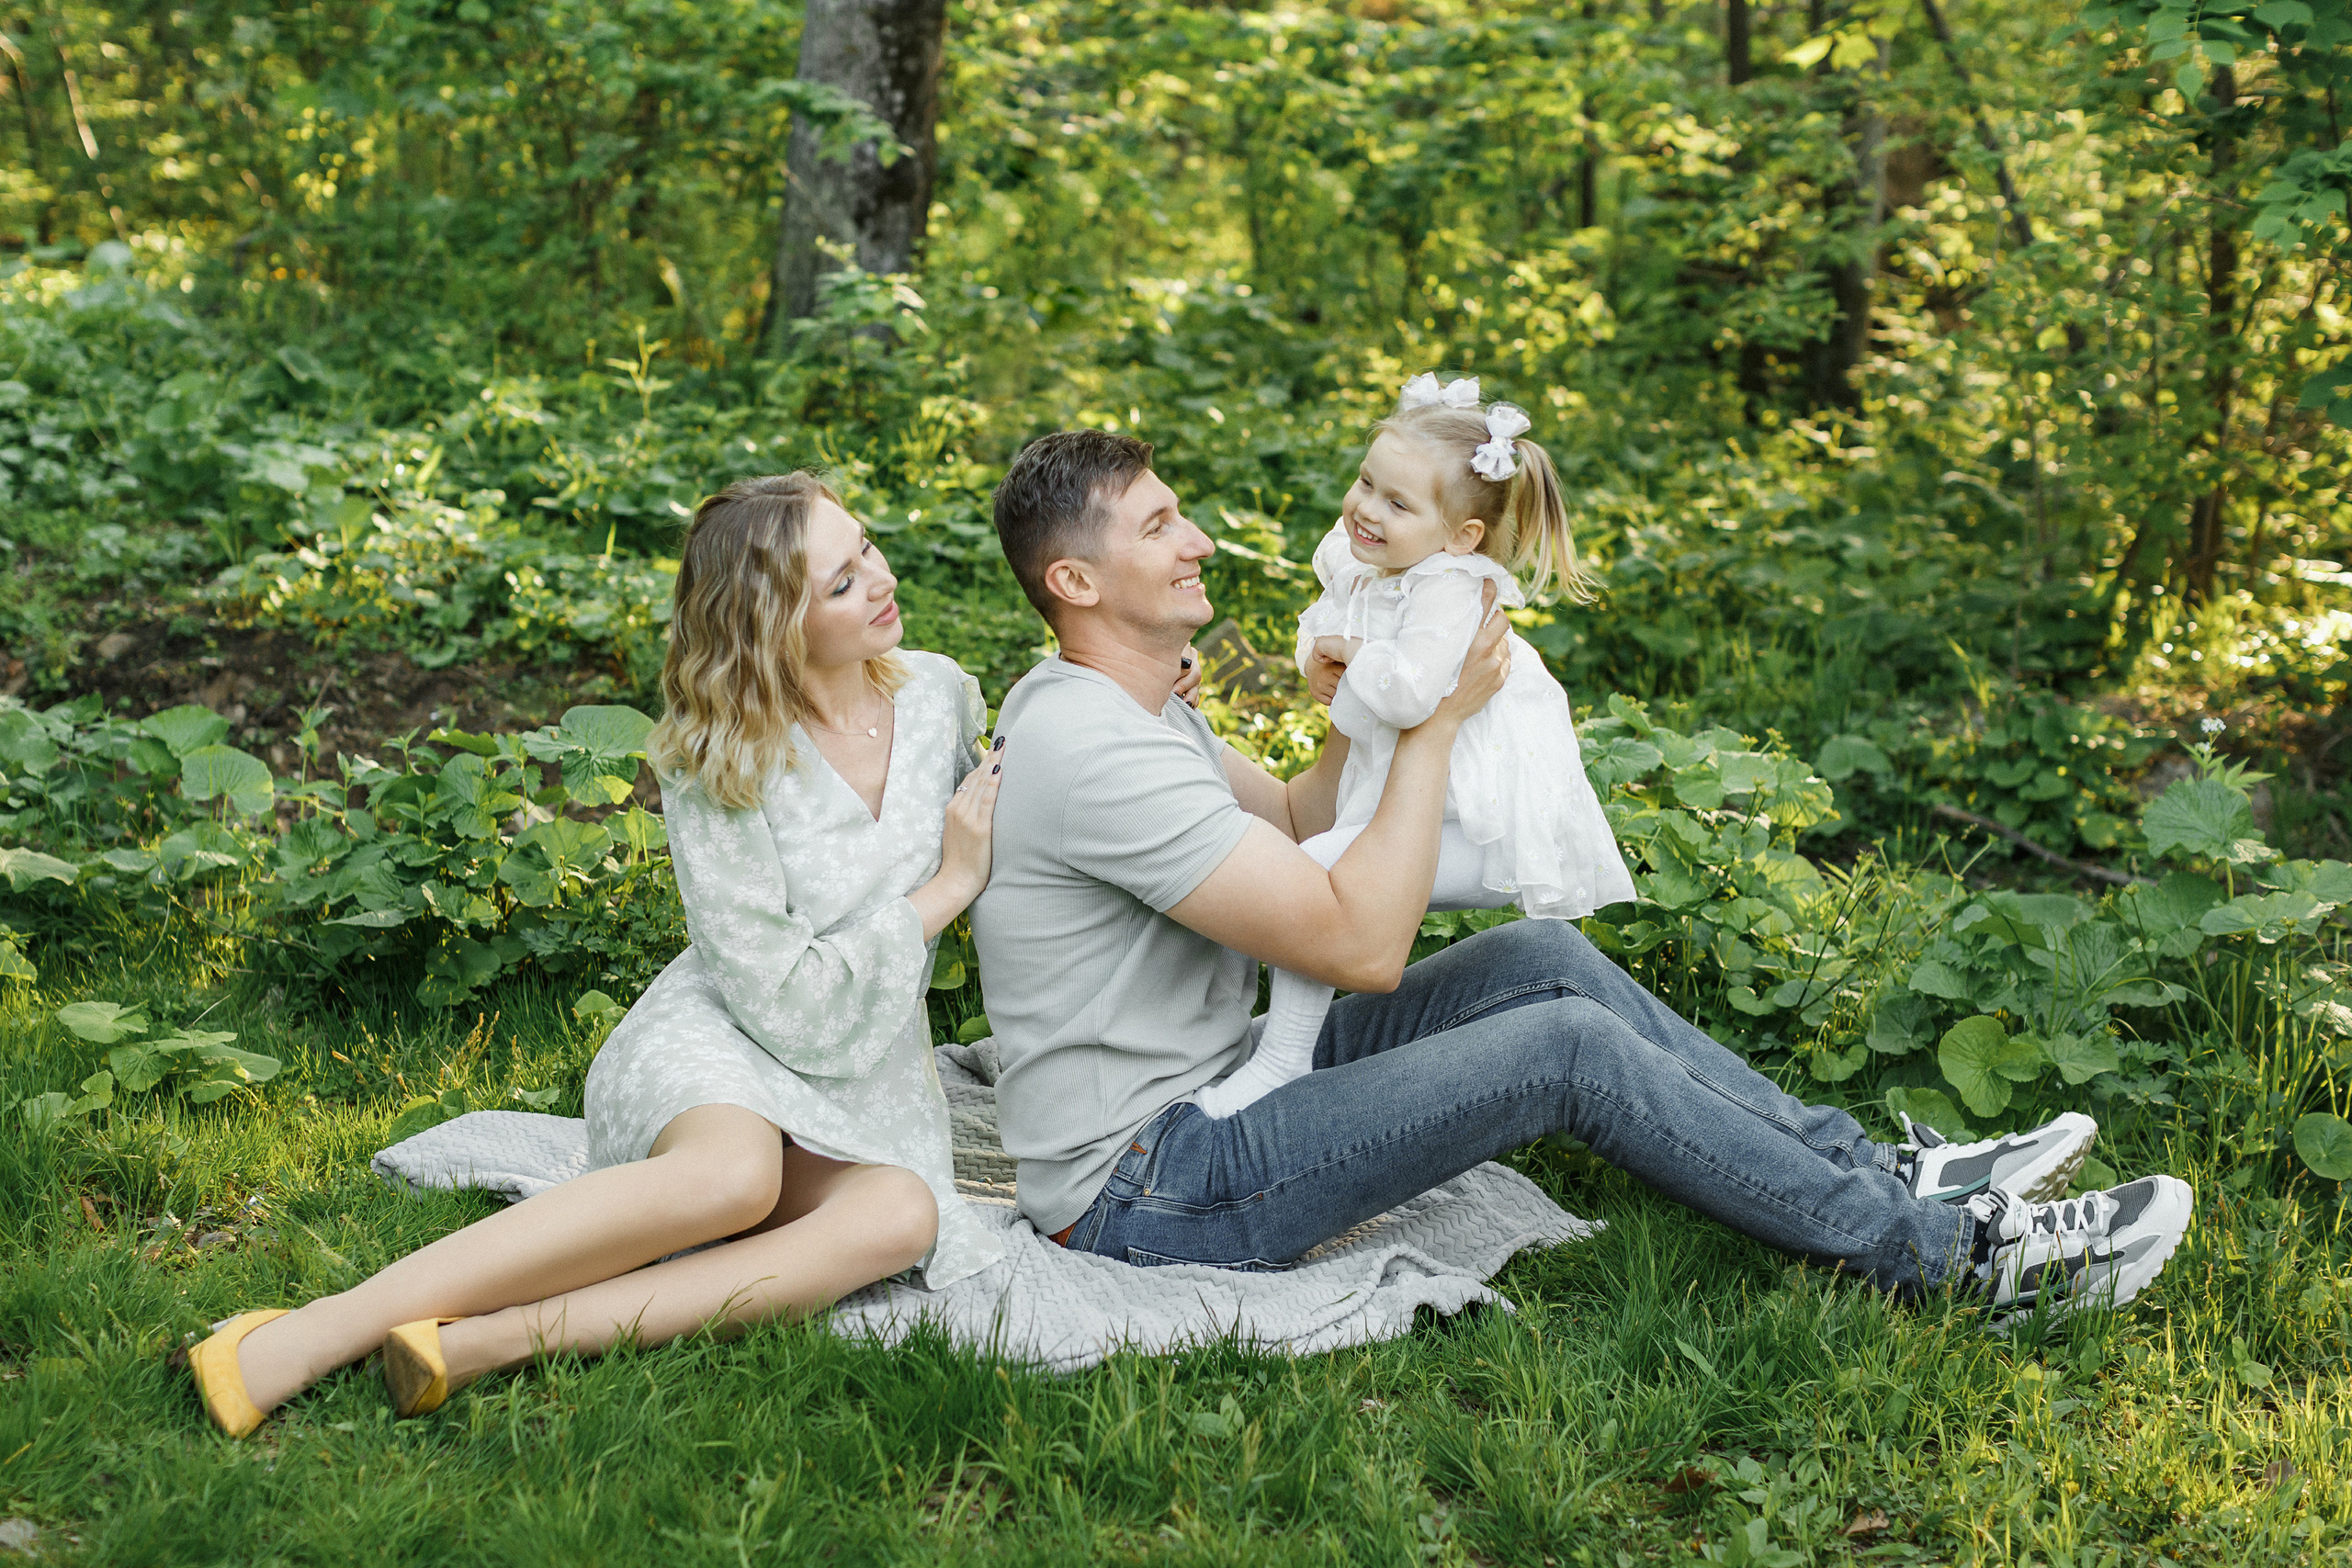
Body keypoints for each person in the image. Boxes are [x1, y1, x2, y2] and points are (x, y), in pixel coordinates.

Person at [970, 427, 2194, 1326]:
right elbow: (1357, 945)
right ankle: (1957, 1261)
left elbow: (1300, 817)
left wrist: (1356, 714)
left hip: (1222, 1082)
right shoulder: (1088, 745)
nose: (1195, 541)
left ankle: (1880, 1165)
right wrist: (1437, 724)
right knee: (1563, 1048)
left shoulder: (1137, 708)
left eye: (1182, 512)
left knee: (1540, 960)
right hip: (1148, 1180)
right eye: (1157, 528)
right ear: (1074, 583)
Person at [189, 473, 1007, 1438]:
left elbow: (1029, 796)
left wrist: (1146, 705)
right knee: (733, 1179)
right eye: (838, 582)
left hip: (864, 1067)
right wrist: (942, 893)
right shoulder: (722, 757)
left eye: (864, 549)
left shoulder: (940, 695)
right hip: (731, 1035)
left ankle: (487, 1343)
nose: (878, 579)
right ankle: (307, 1335)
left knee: (899, 1218)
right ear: (772, 627)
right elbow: (777, 1000)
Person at [1198, 372, 1635, 1119]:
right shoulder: (1378, 558)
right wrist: (1321, 655)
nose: (1366, 509)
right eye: (1367, 482)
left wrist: (1351, 651)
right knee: (1310, 865)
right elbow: (1328, 598)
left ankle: (1282, 1060)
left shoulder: (1450, 589)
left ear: (1460, 536)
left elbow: (1407, 692)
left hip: (1486, 828)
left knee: (1316, 873)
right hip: (1419, 809)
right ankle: (1256, 1044)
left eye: (1396, 503)